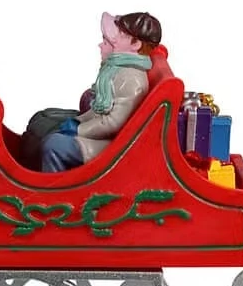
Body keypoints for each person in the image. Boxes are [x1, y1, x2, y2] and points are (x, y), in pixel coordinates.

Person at [39, 11, 162, 173]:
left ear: (135, 44)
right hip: (102, 136)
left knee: (54, 145)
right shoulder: (118, 70)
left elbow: (112, 123)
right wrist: (78, 121)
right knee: (49, 130)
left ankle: (55, 185)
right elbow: (99, 109)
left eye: (122, 34)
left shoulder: (132, 79)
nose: (115, 37)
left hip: (108, 146)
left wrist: (79, 130)